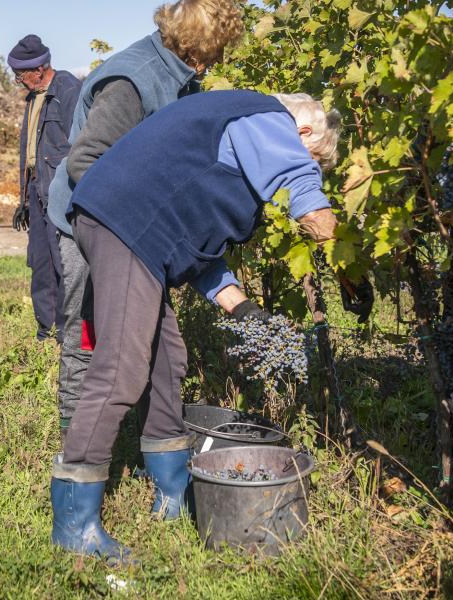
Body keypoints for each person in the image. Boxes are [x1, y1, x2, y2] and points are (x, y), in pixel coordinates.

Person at [49, 90, 343, 562]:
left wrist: (245, 311)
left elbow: (196, 253)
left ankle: (171, 493)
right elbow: (301, 185)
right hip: (127, 224)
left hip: (136, 229)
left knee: (167, 361)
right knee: (121, 368)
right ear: (303, 133)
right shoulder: (267, 118)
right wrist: (345, 257)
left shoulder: (234, 131)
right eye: (309, 153)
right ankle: (74, 524)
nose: (300, 160)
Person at [46, 0, 244, 438]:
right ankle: (73, 443)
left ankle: (146, 443)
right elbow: (87, 163)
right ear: (198, 48)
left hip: (135, 229)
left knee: (150, 340)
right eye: (212, 54)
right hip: (87, 222)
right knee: (89, 336)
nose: (214, 64)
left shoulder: (181, 79)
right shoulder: (132, 81)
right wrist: (144, 227)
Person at [7, 35, 82, 342]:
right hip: (37, 191)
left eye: (20, 75)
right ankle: (46, 330)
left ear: (38, 70)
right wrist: (24, 198)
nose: (18, 81)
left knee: (65, 263)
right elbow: (30, 153)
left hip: (60, 192)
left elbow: (78, 146)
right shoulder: (34, 98)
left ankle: (69, 332)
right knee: (40, 263)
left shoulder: (67, 92)